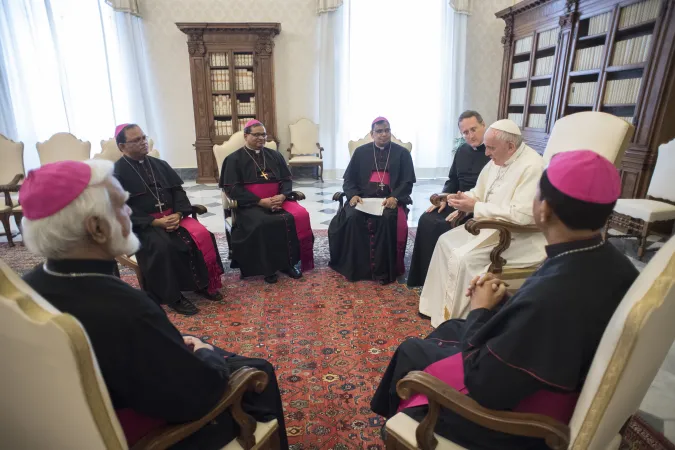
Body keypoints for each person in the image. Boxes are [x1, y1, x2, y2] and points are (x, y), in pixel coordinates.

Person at [371, 150, 639, 449]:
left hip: (516, 424)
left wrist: (481, 309)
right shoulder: (615, 263)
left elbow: (484, 385)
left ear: (544, 209)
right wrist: (505, 301)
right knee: (450, 329)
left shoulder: (551, 296)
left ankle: (396, 429)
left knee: (411, 351)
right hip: (552, 372)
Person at [19, 160, 288, 450]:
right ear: (96, 228)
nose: (131, 213)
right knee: (259, 370)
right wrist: (206, 354)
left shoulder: (25, 289)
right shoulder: (128, 308)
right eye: (123, 205)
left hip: (75, 421)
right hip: (151, 434)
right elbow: (198, 395)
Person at [419, 119, 546, 325]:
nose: (486, 153)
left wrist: (475, 207)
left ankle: (461, 323)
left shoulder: (533, 167)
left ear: (511, 147)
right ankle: (434, 309)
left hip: (517, 238)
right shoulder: (498, 158)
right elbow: (479, 192)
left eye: (490, 148)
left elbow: (523, 216)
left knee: (464, 259)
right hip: (490, 227)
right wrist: (460, 200)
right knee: (444, 241)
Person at [113, 123, 224, 316]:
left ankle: (202, 283)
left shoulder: (160, 164)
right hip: (143, 226)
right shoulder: (116, 173)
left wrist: (179, 214)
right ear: (122, 146)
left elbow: (177, 191)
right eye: (136, 140)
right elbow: (119, 208)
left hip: (174, 218)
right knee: (162, 247)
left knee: (201, 236)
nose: (143, 143)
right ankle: (173, 296)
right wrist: (155, 222)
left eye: (143, 138)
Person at [219, 120, 314, 284]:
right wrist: (260, 201)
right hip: (250, 204)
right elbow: (232, 189)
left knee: (296, 217)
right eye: (256, 135)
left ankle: (289, 263)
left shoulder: (275, 155)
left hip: (278, 200)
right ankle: (267, 268)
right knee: (263, 223)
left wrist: (283, 196)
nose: (261, 138)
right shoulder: (233, 159)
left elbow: (286, 179)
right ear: (246, 135)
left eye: (263, 134)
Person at [407, 110, 491, 287]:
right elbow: (452, 180)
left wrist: (466, 206)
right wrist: (444, 197)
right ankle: (425, 278)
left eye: (474, 129)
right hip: (457, 199)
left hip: (477, 204)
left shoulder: (492, 153)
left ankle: (446, 281)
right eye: (465, 132)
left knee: (442, 224)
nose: (470, 135)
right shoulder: (462, 150)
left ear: (484, 126)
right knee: (427, 219)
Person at [328, 117, 416, 284]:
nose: (384, 134)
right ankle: (356, 268)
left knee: (388, 219)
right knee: (352, 218)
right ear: (372, 134)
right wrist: (352, 194)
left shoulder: (402, 153)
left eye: (387, 130)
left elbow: (407, 181)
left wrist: (395, 197)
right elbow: (349, 180)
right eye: (379, 131)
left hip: (388, 201)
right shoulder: (361, 152)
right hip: (363, 200)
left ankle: (383, 271)